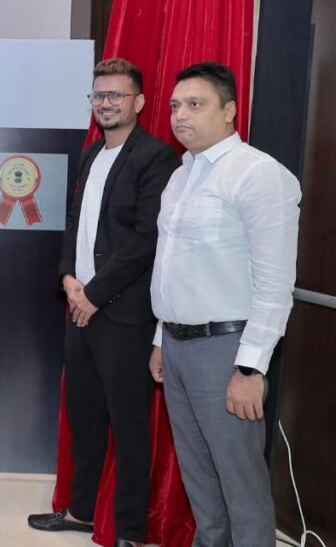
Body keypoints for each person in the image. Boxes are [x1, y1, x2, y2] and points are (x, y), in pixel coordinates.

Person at [148, 61, 300, 547]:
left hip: (227, 350)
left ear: (230, 110)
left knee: (241, 486)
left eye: (195, 104)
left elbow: (275, 286)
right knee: (199, 480)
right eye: (175, 106)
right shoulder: (180, 176)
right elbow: (173, 267)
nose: (180, 116)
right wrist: (161, 339)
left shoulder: (258, 174)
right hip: (177, 347)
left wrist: (250, 368)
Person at [28, 58, 178, 547]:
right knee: (85, 417)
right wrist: (68, 279)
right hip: (80, 309)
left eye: (116, 95)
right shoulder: (92, 153)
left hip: (125, 316)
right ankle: (81, 511)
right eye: (99, 95)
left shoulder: (157, 158)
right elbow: (75, 223)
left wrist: (94, 294)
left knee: (129, 427)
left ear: (139, 102)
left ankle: (130, 531)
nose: (106, 103)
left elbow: (145, 239)